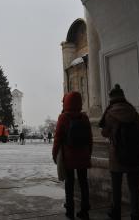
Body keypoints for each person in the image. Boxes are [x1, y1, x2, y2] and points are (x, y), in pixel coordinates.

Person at [100, 84, 139, 220]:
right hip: (134, 155)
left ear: (111, 99)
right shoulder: (133, 111)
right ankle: (136, 214)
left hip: (117, 155)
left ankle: (116, 211)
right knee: (134, 187)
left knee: (116, 187)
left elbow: (104, 133)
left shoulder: (110, 114)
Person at [52, 91, 92, 220]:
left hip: (68, 156)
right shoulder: (84, 117)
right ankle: (85, 210)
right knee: (83, 183)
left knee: (69, 184)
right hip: (83, 156)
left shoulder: (63, 118)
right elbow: (90, 138)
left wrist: (54, 155)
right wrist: (88, 153)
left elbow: (57, 138)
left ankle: (70, 210)